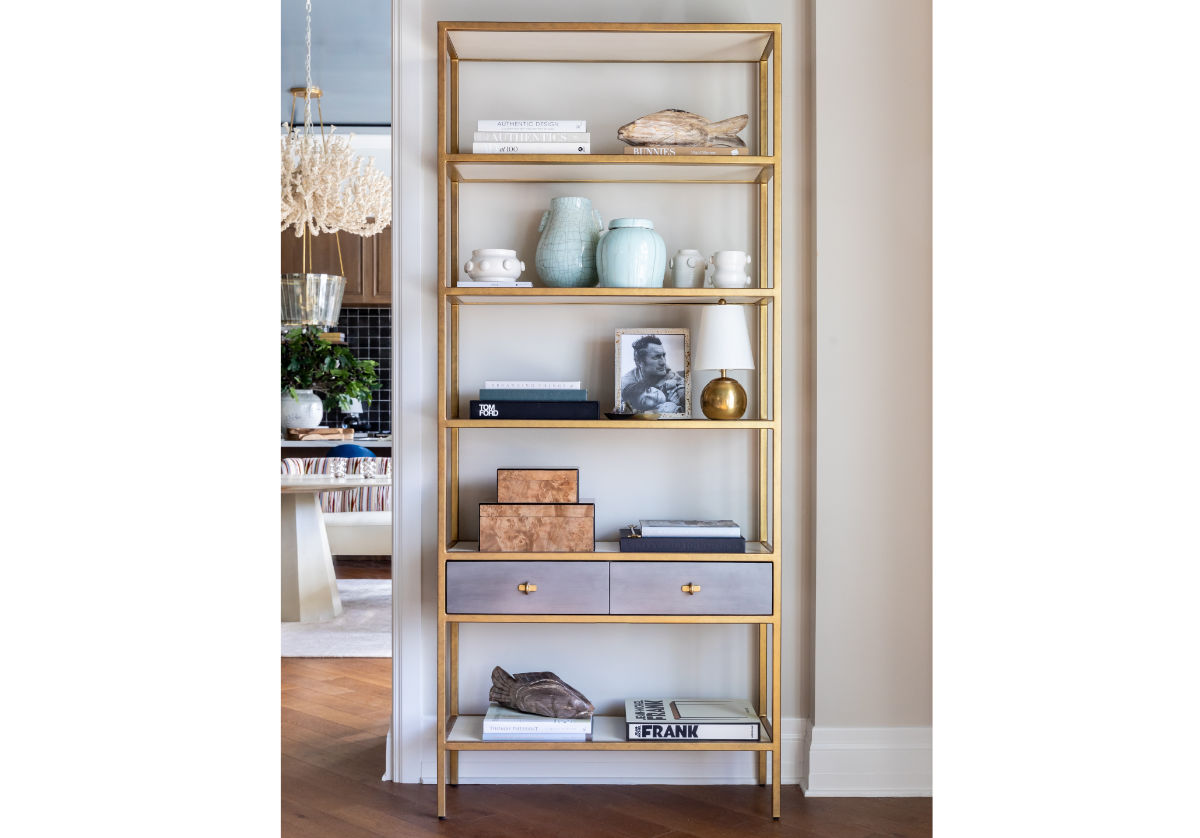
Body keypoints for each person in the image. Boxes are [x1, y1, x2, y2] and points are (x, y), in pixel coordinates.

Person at [620, 334, 686, 413]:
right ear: (639, 362)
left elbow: (684, 392)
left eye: (663, 356)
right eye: (656, 357)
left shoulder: (666, 371)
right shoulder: (625, 385)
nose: (663, 362)